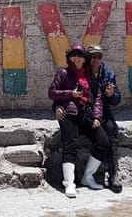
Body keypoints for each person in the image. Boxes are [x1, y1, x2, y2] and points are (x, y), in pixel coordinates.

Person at [48, 44, 111, 198]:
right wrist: (70, 94)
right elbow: (52, 92)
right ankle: (69, 182)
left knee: (103, 142)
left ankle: (87, 177)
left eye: (81, 55)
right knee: (70, 145)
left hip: (86, 114)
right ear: (70, 57)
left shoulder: (89, 75)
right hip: (68, 113)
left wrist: (97, 116)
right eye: (74, 55)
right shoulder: (63, 73)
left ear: (85, 59)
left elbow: (97, 97)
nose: (77, 58)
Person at [86, 45, 123, 193]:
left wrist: (111, 95)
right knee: (101, 140)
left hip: (104, 112)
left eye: (99, 57)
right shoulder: (82, 73)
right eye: (93, 57)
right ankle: (86, 175)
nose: (96, 60)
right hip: (86, 112)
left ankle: (113, 175)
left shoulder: (108, 74)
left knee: (112, 134)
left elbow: (117, 99)